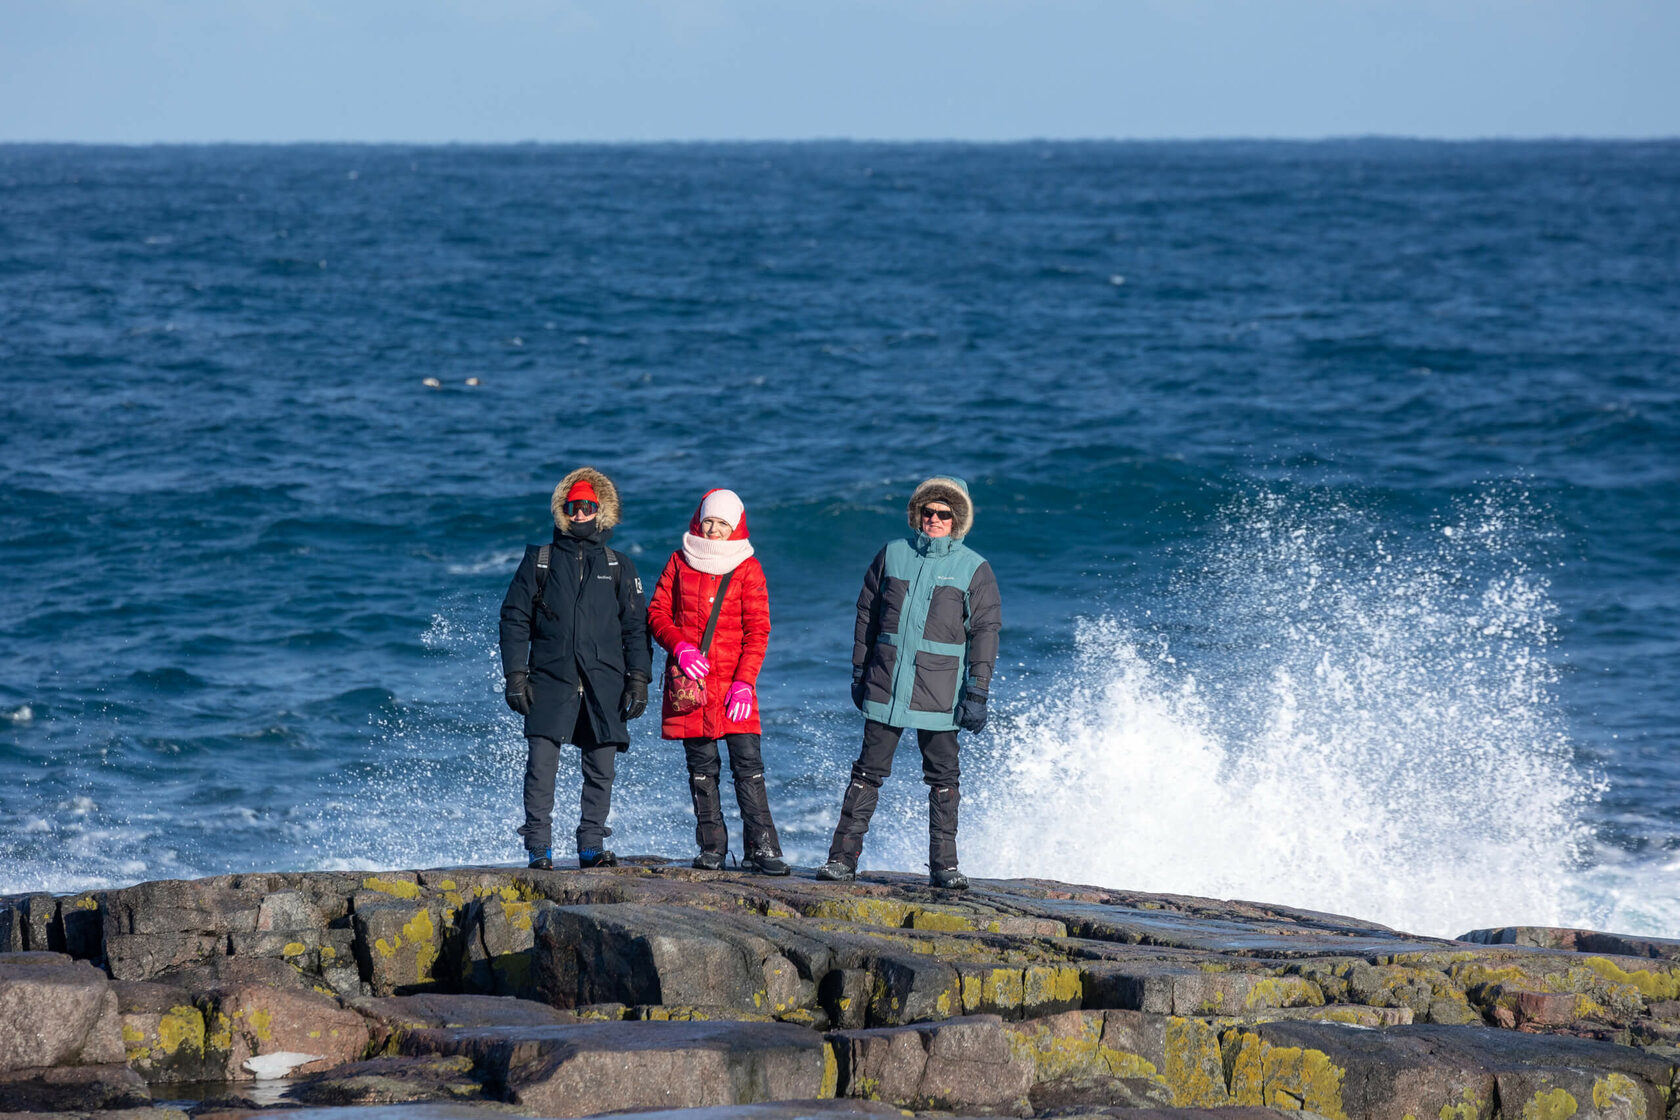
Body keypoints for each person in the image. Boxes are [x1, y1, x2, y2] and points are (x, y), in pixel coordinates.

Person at [817, 476, 1001, 890]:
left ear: (957, 521)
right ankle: (841, 861)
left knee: (943, 778)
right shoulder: (892, 555)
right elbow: (866, 614)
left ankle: (945, 868)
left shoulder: (974, 568)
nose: (934, 519)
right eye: (928, 512)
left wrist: (978, 690)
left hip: (940, 691)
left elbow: (986, 632)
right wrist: (860, 671)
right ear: (918, 515)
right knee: (866, 772)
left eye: (943, 514)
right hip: (886, 683)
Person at [499, 467, 651, 870]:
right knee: (540, 767)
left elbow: (636, 628)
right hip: (549, 678)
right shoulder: (540, 561)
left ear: (599, 510)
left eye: (587, 506)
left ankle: (591, 844)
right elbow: (514, 619)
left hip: (605, 681)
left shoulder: (620, 566)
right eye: (573, 507)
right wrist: (515, 676)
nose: (579, 514)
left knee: (601, 766)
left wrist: (639, 679)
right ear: (563, 511)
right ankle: (538, 847)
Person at [647, 489, 790, 875]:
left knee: (749, 767)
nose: (713, 530)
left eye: (722, 524)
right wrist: (679, 646)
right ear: (699, 520)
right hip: (691, 687)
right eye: (709, 521)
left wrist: (745, 682)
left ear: (735, 527)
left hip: (733, 690)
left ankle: (762, 849)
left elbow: (758, 632)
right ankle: (712, 848)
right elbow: (657, 612)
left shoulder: (747, 568)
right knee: (701, 770)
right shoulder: (679, 561)